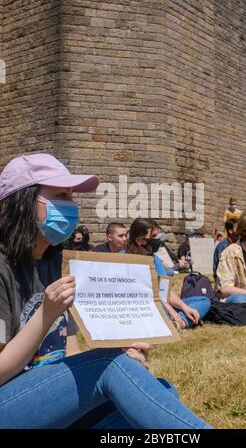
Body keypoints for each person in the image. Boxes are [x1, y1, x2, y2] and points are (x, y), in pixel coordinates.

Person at [0, 154, 212, 429]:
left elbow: (71, 351)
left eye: (71, 196)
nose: (71, 205)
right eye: (61, 195)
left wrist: (124, 359)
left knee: (157, 392)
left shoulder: (55, 264)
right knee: (110, 364)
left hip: (46, 401)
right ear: (22, 203)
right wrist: (46, 314)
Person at [127, 218, 211, 330]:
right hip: (143, 305)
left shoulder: (154, 258)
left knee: (203, 301)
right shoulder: (125, 260)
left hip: (161, 302)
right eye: (153, 236)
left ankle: (176, 323)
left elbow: (165, 291)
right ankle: (175, 322)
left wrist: (185, 307)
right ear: (139, 240)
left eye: (158, 235)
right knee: (159, 307)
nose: (158, 239)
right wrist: (171, 311)